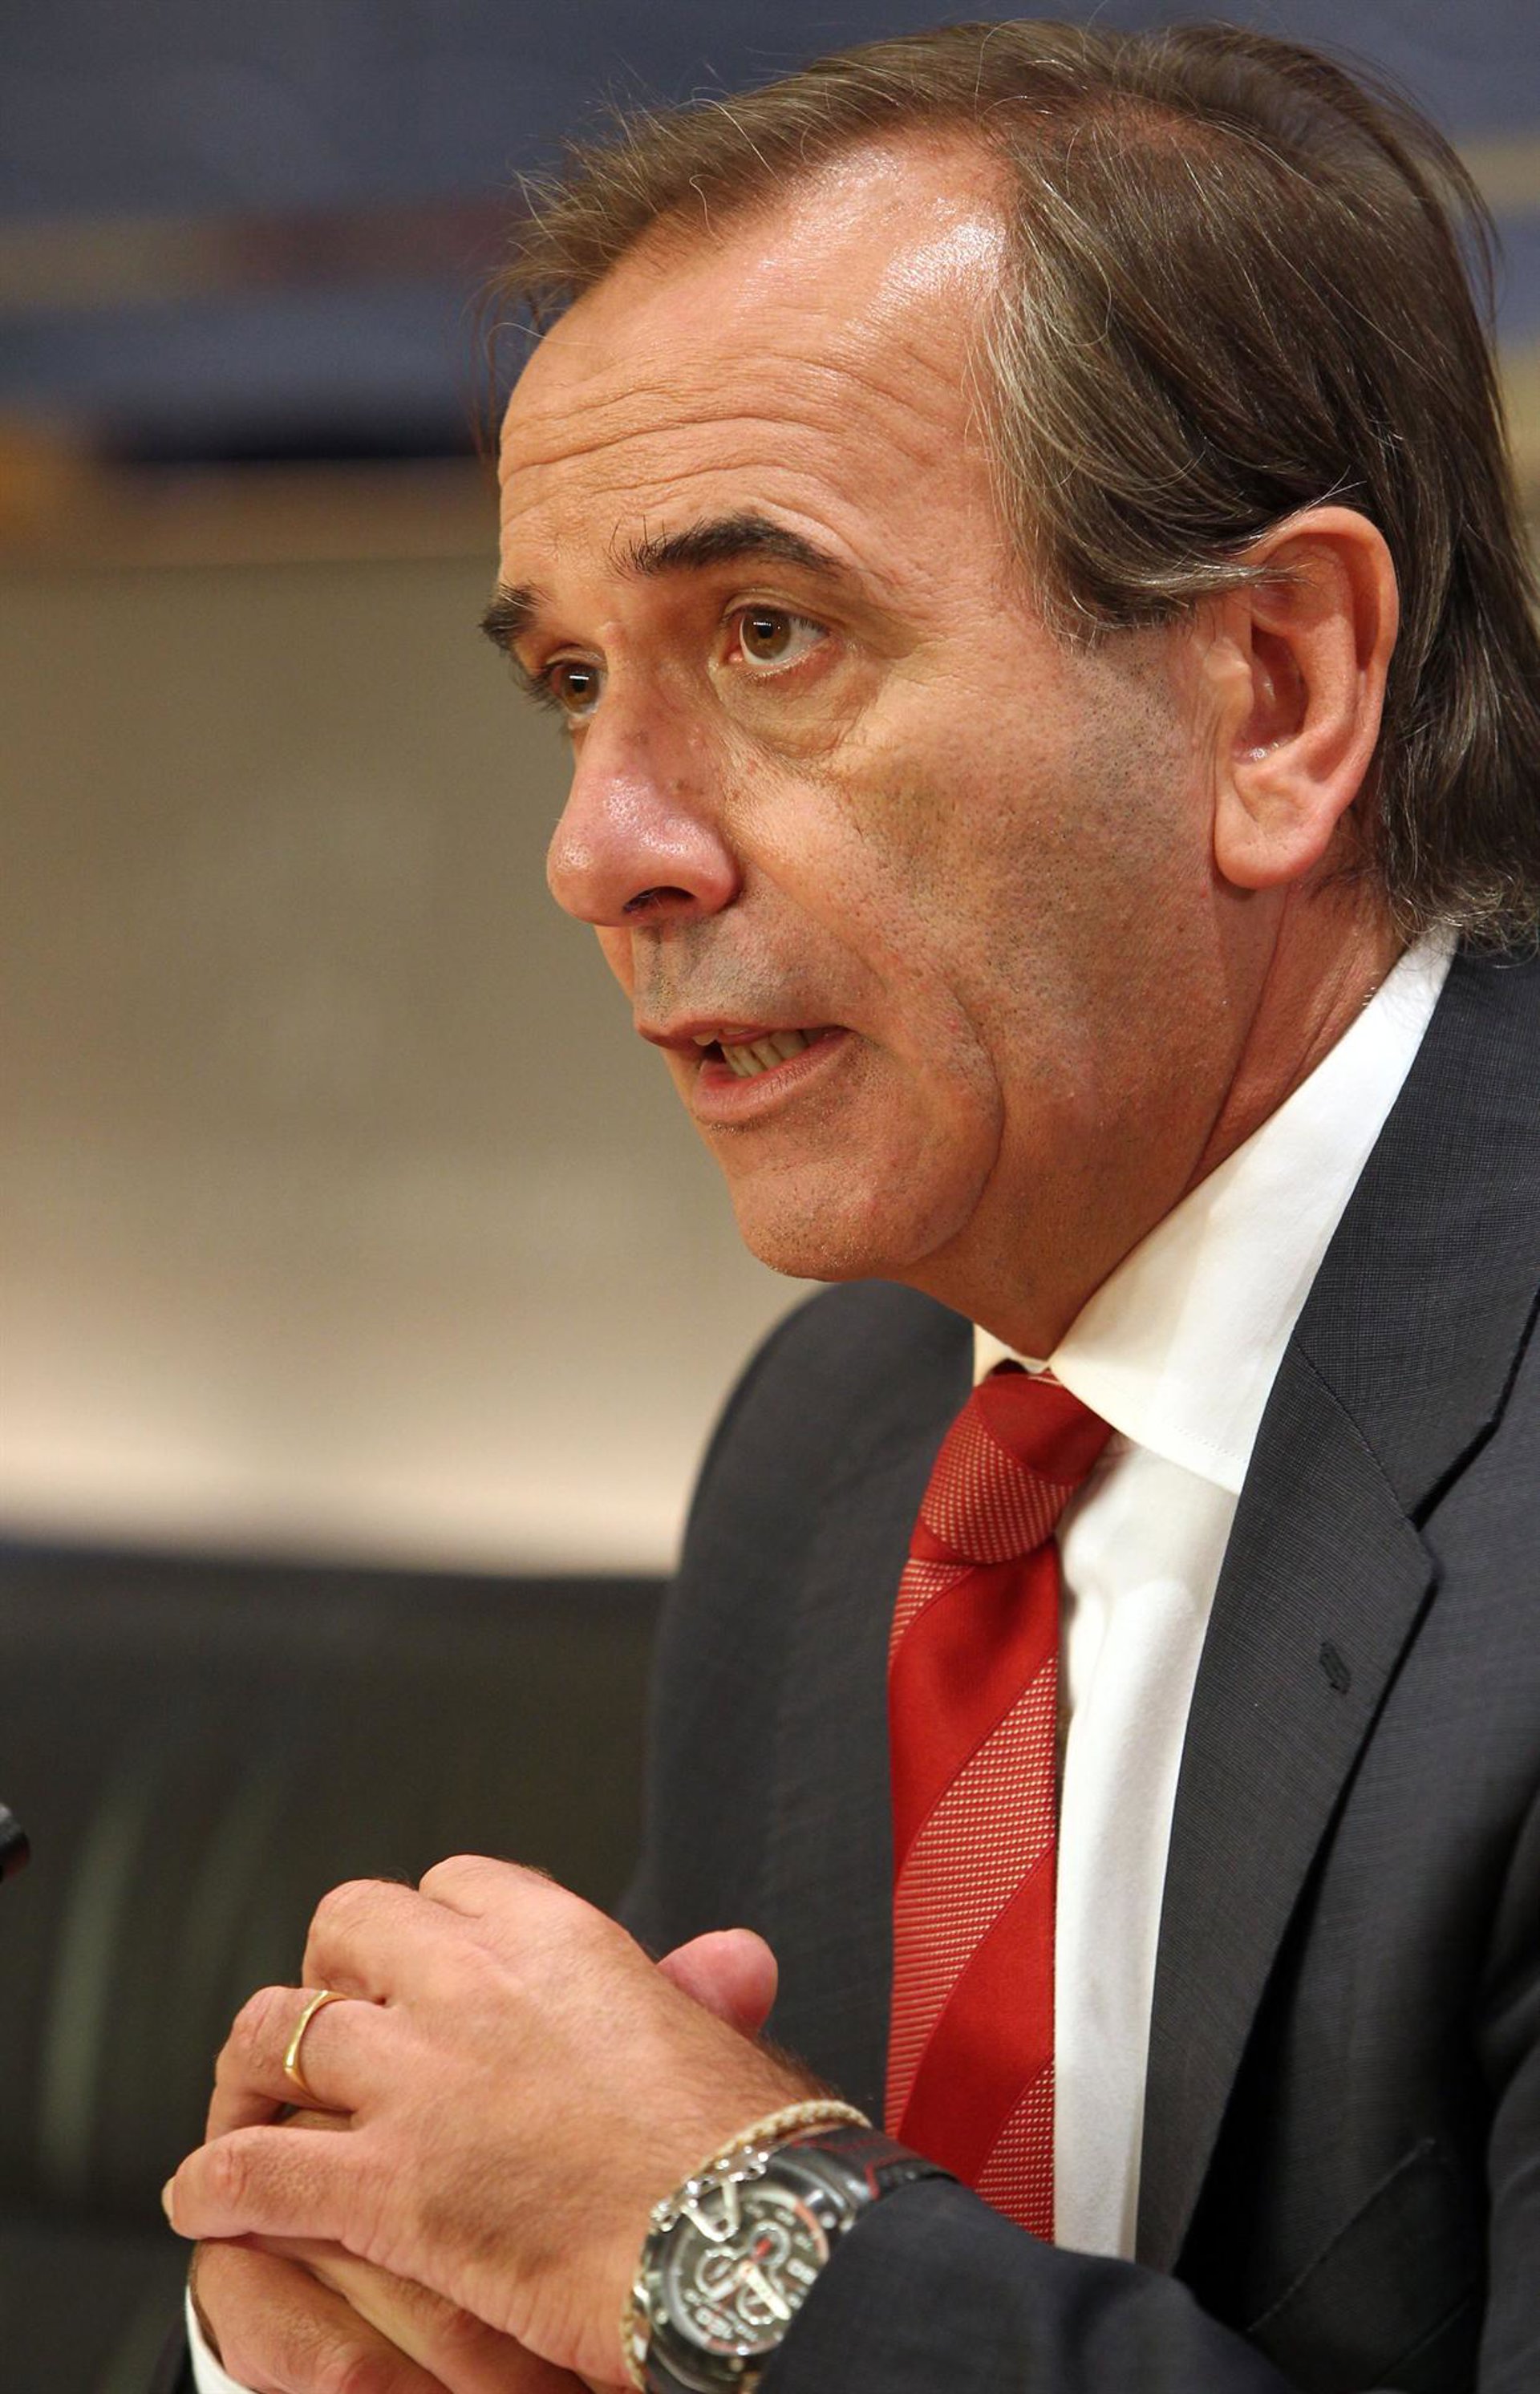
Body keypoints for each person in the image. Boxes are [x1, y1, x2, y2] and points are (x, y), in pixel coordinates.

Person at [160, 20, 1540, 2394]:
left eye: (767, 635)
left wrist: (740, 2249)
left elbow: (734, 2253)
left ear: (1278, 694)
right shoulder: (840, 1445)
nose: (598, 849)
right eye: (570, 680)